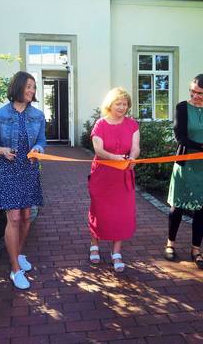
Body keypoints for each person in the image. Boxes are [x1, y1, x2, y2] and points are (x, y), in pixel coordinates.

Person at [0, 71, 46, 290]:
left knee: (26, 217)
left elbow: (42, 141)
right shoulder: (0, 114)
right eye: (28, 86)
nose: (31, 90)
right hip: (8, 171)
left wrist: (38, 148)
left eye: (34, 87)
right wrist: (1, 150)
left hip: (29, 171)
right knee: (13, 218)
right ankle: (14, 269)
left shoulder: (37, 115)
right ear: (18, 87)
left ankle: (19, 253)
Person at [163, 74, 203, 269]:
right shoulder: (182, 107)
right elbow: (179, 137)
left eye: (199, 92)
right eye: (192, 91)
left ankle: (196, 249)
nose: (195, 95)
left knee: (202, 209)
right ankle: (170, 244)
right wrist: (201, 146)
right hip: (185, 163)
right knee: (178, 206)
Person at [88, 87, 140, 272]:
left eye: (125, 104)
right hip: (103, 175)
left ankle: (116, 252)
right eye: (119, 103)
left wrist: (132, 158)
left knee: (122, 213)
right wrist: (115, 158)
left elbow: (135, 147)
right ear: (110, 104)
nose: (122, 107)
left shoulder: (132, 124)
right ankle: (95, 243)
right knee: (99, 211)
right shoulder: (100, 124)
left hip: (123, 175)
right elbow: (99, 150)